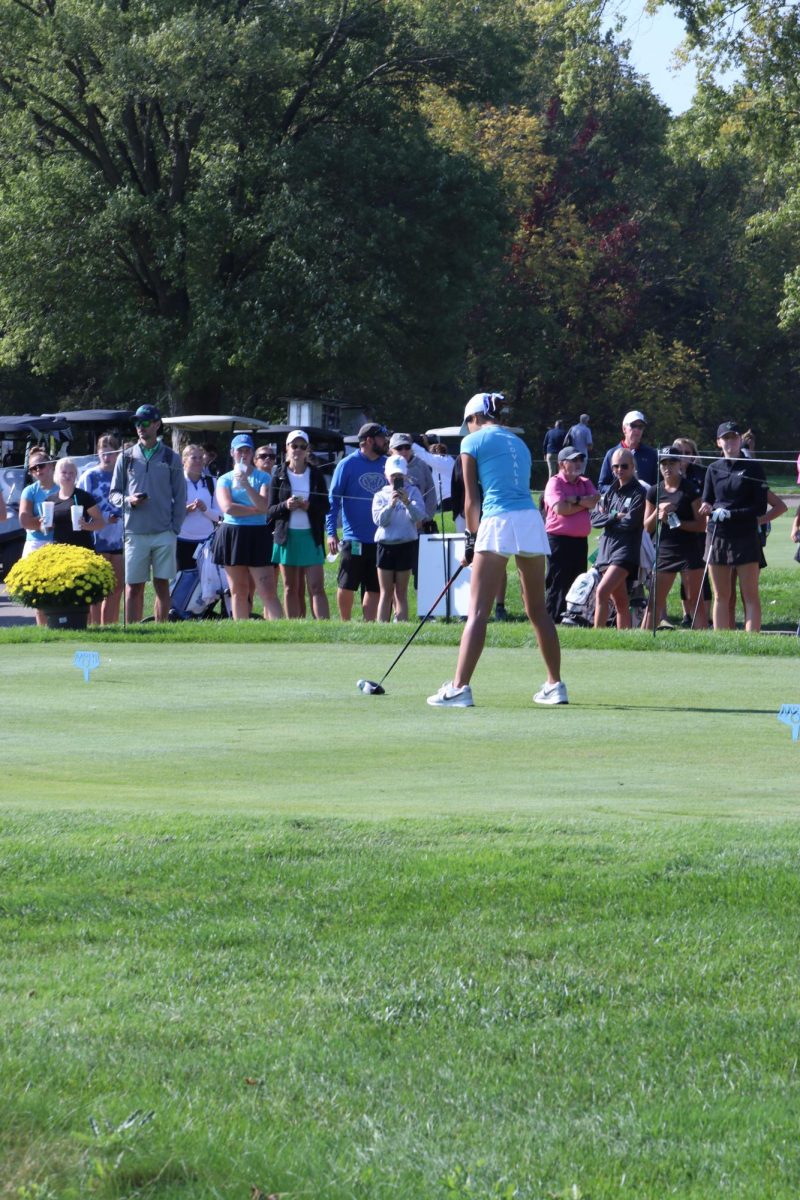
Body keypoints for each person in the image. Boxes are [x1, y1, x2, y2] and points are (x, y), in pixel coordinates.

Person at [427, 392, 567, 707]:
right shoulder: (518, 442)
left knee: (477, 611)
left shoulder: (470, 443)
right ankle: (555, 684)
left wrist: (470, 539)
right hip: (531, 520)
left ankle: (459, 687)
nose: (469, 429)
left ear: (474, 418)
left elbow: (470, 499)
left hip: (498, 520)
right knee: (537, 610)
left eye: (468, 424)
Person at [109, 404, 186, 623]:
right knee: (133, 587)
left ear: (157, 424)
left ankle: (161, 630)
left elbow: (180, 498)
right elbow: (113, 494)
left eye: (144, 423)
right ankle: (134, 633)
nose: (140, 427)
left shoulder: (172, 458)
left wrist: (175, 529)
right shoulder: (126, 457)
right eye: (137, 423)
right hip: (134, 532)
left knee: (162, 585)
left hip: (164, 532)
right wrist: (128, 501)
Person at [698, 421, 768, 631]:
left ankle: (751, 641)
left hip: (745, 534)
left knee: (750, 594)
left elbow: (760, 507)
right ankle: (722, 640)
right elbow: (707, 499)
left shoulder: (753, 468)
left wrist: (731, 514)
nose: (730, 442)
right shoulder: (712, 469)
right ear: (719, 442)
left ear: (740, 440)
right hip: (718, 535)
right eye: (725, 438)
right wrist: (706, 507)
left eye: (733, 437)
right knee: (721, 595)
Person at [213, 433, 282, 620]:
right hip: (232, 533)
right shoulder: (224, 479)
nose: (243, 454)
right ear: (232, 453)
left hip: (258, 534)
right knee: (238, 590)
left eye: (247, 450)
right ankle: (241, 632)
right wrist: (255, 509)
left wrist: (246, 484)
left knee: (267, 590)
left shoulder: (263, 478)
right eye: (239, 451)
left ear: (252, 453)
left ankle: (282, 632)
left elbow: (264, 506)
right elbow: (228, 508)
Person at [326, 422, 388, 621]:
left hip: (380, 538)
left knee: (374, 586)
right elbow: (333, 500)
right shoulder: (347, 464)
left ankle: (369, 626)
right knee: (347, 583)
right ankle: (345, 623)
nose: (385, 441)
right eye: (381, 437)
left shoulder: (387, 464)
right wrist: (331, 532)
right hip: (354, 539)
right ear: (369, 441)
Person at [641, 446, 707, 630]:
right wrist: (659, 513)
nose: (667, 467)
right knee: (654, 602)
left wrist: (677, 523)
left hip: (689, 550)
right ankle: (644, 641)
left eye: (672, 463)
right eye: (664, 463)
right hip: (665, 550)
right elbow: (647, 526)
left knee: (695, 600)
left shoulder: (690, 489)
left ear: (680, 464)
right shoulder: (654, 491)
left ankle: (704, 642)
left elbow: (701, 525)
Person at [268, 430, 330, 619]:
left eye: (302, 447)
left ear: (308, 450)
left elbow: (325, 506)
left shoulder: (316, 474)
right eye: (294, 446)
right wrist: (286, 505)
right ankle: (294, 626)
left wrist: (308, 506)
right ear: (287, 448)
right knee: (290, 587)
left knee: (316, 586)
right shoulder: (278, 474)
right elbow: (270, 511)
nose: (298, 450)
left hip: (311, 536)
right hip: (287, 537)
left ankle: (324, 627)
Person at [591, 448, 645, 629]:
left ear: (633, 466)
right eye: (615, 466)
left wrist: (608, 518)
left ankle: (595, 637)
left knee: (601, 592)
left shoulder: (639, 492)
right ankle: (624, 639)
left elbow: (630, 522)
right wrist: (614, 517)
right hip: (606, 550)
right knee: (621, 603)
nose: (619, 470)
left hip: (625, 552)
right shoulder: (611, 492)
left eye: (624, 466)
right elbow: (593, 519)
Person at [543, 447, 598, 622]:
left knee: (578, 580)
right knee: (558, 580)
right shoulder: (555, 482)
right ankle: (553, 618)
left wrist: (574, 499)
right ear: (561, 464)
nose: (578, 463)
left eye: (580, 460)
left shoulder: (584, 482)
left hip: (579, 541)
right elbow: (560, 509)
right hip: (558, 540)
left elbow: (594, 499)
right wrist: (584, 502)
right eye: (573, 460)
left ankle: (574, 617)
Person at [372, 454, 426, 622]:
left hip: (406, 544)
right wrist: (391, 504)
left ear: (405, 475)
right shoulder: (380, 495)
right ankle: (381, 627)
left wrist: (407, 502)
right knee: (386, 592)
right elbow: (380, 521)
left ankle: (401, 623)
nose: (396, 479)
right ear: (386, 476)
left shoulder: (413, 492)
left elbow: (419, 517)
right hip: (386, 545)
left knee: (401, 592)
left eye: (399, 476)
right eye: (393, 475)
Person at [79, 434, 124, 624]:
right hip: (96, 538)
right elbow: (79, 506)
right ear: (98, 453)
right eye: (103, 453)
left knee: (117, 587)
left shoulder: (124, 476)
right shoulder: (89, 476)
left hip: (120, 538)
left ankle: (110, 628)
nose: (107, 457)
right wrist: (104, 517)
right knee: (96, 588)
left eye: (111, 453)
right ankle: (95, 627)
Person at [177, 444, 222, 571]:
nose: (198, 461)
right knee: (182, 581)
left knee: (206, 583)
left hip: (206, 541)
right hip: (181, 540)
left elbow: (220, 516)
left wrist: (205, 509)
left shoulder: (212, 482)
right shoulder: (176, 482)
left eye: (200, 457)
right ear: (184, 460)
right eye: (193, 458)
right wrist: (185, 510)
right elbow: (168, 513)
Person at [51, 458, 105, 550]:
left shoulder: (84, 497)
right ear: (56, 475)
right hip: (60, 552)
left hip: (82, 550)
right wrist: (44, 525)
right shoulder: (50, 500)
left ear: (76, 475)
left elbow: (100, 523)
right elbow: (46, 528)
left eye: (71, 473)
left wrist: (86, 525)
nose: (68, 475)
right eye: (64, 472)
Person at [598, 410, 658, 491]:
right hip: (619, 502)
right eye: (633, 425)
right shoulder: (612, 454)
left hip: (644, 502)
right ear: (624, 429)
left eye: (640, 427)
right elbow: (602, 486)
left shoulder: (651, 454)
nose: (637, 429)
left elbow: (658, 485)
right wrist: (620, 490)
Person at [388, 433, 437, 523]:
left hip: (419, 523)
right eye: (399, 448)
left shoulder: (421, 465)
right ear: (390, 451)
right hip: (392, 524)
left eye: (407, 447)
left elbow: (431, 493)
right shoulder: (385, 466)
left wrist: (424, 518)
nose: (404, 451)